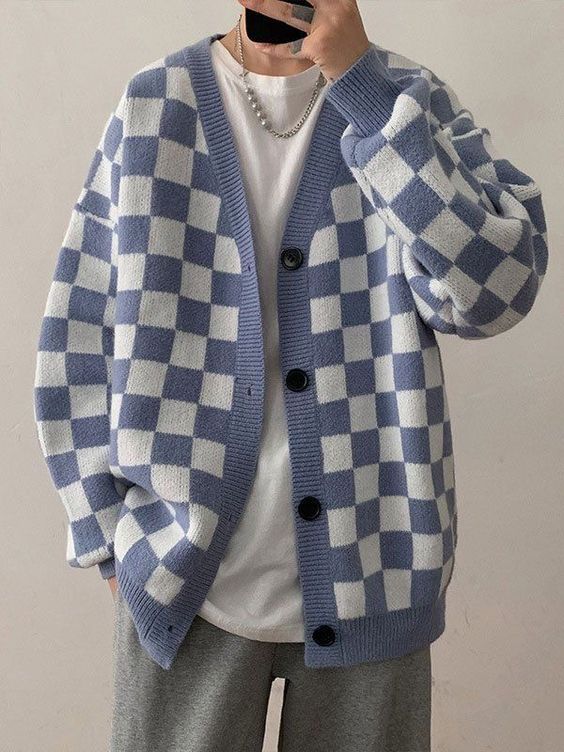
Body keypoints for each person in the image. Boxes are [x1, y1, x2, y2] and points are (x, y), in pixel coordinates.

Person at [32, 1, 548, 750]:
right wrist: (106, 535)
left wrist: (363, 90)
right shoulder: (155, 105)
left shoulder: (408, 99)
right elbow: (77, 331)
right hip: (185, 579)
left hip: (375, 570)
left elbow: (497, 289)